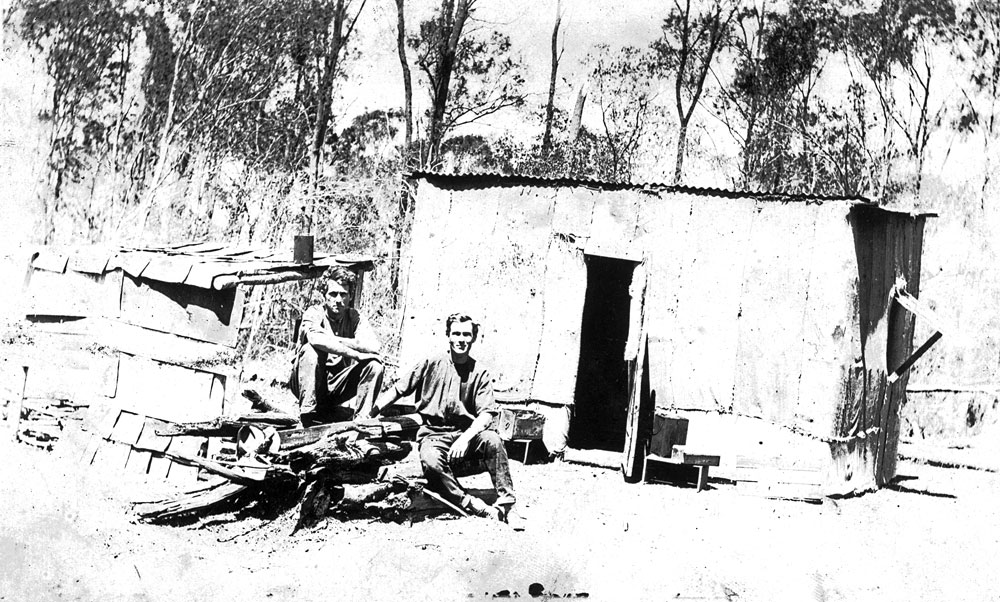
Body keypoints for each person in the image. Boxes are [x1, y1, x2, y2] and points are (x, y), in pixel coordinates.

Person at [369, 313, 515, 521]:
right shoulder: (431, 363)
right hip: (433, 436)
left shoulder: (479, 373)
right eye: (456, 334)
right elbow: (398, 390)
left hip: (466, 436)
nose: (461, 339)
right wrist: (370, 413)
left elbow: (486, 414)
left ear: (473, 338)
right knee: (430, 461)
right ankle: (469, 503)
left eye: (466, 334)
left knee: (493, 441)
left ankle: (507, 504)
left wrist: (465, 438)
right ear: (448, 335)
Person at [289, 267, 384, 426]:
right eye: (333, 294)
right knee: (310, 350)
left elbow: (374, 346)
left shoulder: (355, 317)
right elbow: (316, 340)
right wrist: (356, 354)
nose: (338, 299)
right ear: (324, 296)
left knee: (374, 365)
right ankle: (307, 415)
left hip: (337, 385)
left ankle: (362, 421)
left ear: (350, 296)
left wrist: (334, 339)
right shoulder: (314, 313)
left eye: (343, 294)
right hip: (307, 382)